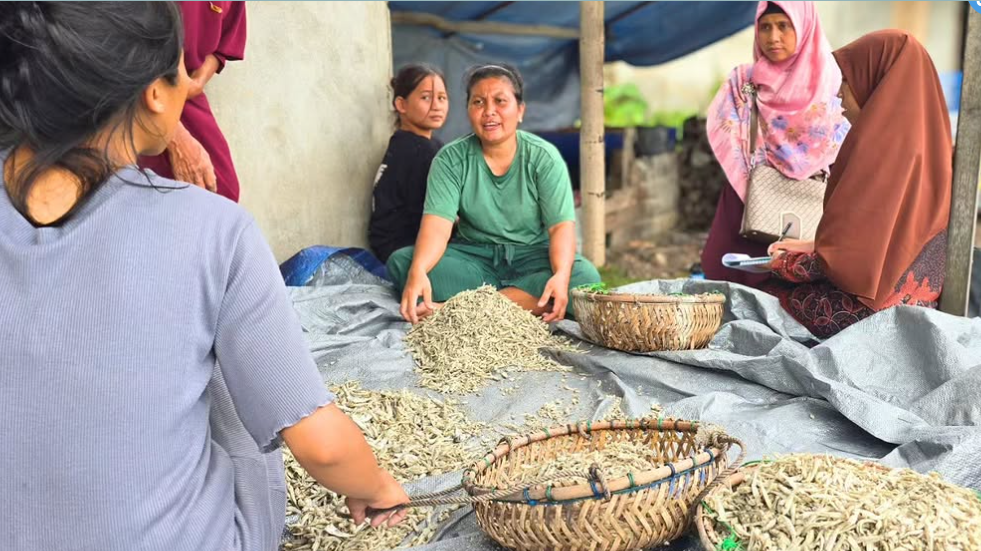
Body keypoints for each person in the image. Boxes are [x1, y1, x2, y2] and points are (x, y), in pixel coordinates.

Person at [0, 3, 407, 551]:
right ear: (155, 92)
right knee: (229, 387)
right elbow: (323, 446)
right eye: (183, 68)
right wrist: (377, 486)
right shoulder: (214, 230)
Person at [765, 30, 952, 339]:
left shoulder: (878, 152)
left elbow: (845, 270)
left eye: (846, 83)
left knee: (766, 296)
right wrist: (813, 246)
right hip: (919, 305)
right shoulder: (936, 146)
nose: (839, 96)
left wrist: (783, 263)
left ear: (876, 83)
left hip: (870, 315)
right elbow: (881, 244)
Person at [386, 64, 601, 324]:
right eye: (478, 102)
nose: (489, 112)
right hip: (473, 259)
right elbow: (438, 227)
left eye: (500, 101)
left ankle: (456, 309)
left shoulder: (543, 157)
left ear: (520, 110)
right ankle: (525, 304)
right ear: (468, 111)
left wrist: (561, 274)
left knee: (583, 277)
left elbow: (560, 228)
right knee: (403, 263)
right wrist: (419, 270)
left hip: (531, 257)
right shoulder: (450, 159)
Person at [701, 1, 849, 288]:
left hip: (813, 194)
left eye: (784, 26)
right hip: (750, 191)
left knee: (794, 279)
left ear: (805, 27)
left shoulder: (832, 81)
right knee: (727, 273)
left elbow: (843, 139)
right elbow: (728, 124)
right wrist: (754, 164)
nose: (773, 37)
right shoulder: (745, 80)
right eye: (765, 27)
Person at [138, 1, 246, 202]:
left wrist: (197, 82)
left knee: (222, 190)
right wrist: (175, 137)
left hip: (186, 93)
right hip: (132, 91)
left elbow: (227, 36)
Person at [369, 64, 448, 263]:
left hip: (390, 246)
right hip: (402, 250)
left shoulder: (420, 144)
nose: (436, 106)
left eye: (441, 98)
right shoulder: (416, 150)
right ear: (401, 105)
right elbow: (430, 217)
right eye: (426, 98)